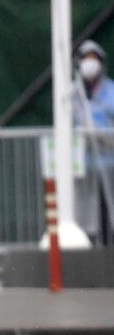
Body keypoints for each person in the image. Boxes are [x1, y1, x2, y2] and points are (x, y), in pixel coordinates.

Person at [72, 39, 114, 245]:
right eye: (86, 59)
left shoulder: (111, 91)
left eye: (94, 59)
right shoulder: (73, 94)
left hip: (108, 164)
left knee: (107, 207)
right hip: (84, 167)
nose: (90, 63)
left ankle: (108, 247)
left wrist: (101, 134)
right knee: (84, 211)